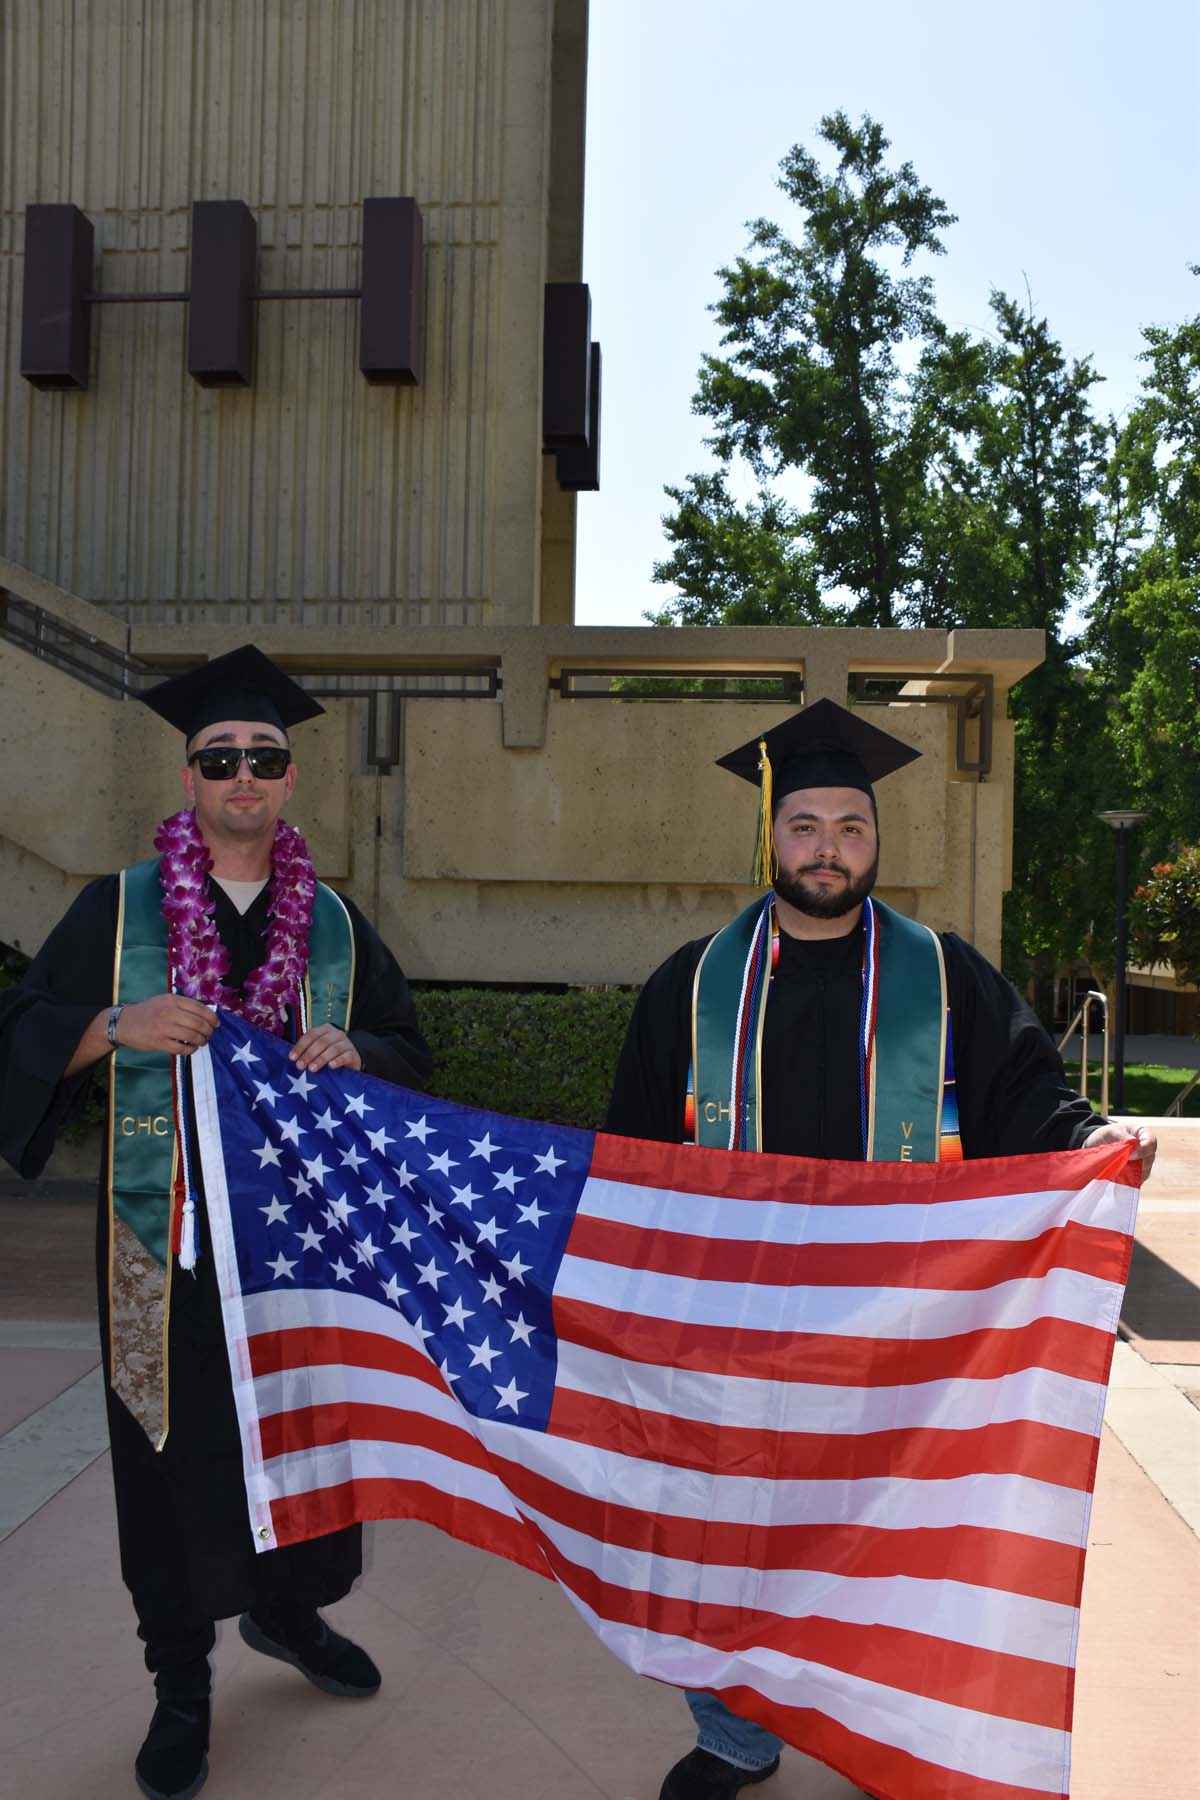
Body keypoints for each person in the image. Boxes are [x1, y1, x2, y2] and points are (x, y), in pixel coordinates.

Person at [605, 698, 1156, 1800]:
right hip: (741, 1335)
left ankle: (891, 1733)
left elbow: (1026, 1099)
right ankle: (736, 1733)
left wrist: (1092, 1143)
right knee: (730, 1540)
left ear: (876, 840)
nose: (827, 850)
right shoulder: (694, 985)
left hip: (904, 1338)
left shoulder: (945, 977)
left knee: (893, 1547)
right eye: (804, 826)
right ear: (770, 836)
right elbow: (630, 1159)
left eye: (849, 827)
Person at [0, 646, 432, 1800]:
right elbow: (24, 1027)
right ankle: (180, 1683)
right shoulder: (122, 908)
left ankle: (287, 1614)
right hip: (163, 1244)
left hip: (299, 1247)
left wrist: (361, 1051)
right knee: (170, 1453)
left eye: (265, 758)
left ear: (292, 781)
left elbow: (409, 1048)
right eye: (221, 758)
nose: (244, 773)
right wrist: (116, 1022)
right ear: (189, 778)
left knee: (299, 1431)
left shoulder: (335, 928)